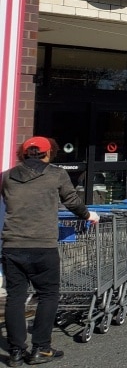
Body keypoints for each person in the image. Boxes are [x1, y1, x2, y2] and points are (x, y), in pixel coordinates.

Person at [2, 136, 99, 366]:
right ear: (48, 154)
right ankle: (41, 349)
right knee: (48, 295)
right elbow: (72, 201)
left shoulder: (7, 176)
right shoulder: (56, 174)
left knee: (15, 297)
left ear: (24, 154)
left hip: (12, 244)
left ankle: (16, 352)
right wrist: (89, 215)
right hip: (42, 245)